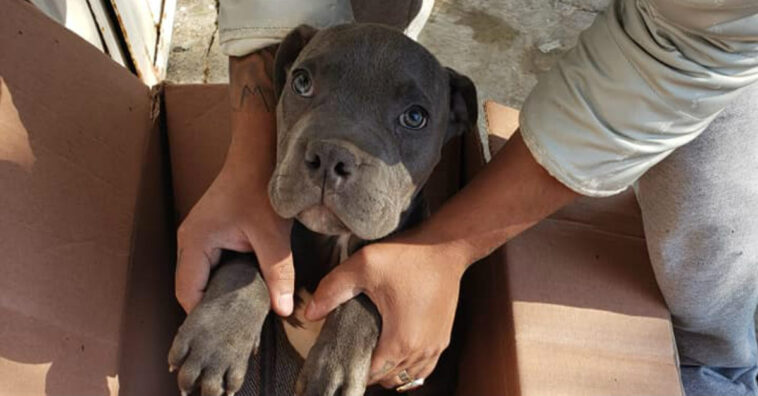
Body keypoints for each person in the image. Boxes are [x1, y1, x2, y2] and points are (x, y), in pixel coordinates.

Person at [174, 1, 758, 394]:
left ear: (455, 119)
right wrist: (249, 168)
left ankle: (719, 363)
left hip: (709, 22)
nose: (335, 152)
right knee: (361, 39)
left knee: (709, 212)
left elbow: (691, 48)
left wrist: (448, 250)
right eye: (303, 81)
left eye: (413, 115)